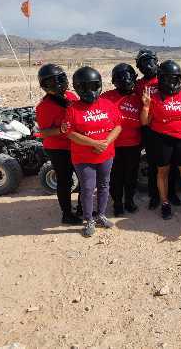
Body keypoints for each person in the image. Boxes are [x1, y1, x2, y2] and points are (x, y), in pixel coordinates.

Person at [139, 60, 181, 220]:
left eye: (174, 78)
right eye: (167, 78)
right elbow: (145, 122)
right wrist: (146, 106)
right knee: (162, 172)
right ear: (161, 78)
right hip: (162, 140)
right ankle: (165, 203)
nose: (171, 81)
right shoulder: (154, 98)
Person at [64, 66, 121, 237]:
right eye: (85, 87)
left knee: (104, 185)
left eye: (94, 86)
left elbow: (118, 126)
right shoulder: (72, 109)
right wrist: (93, 143)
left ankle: (101, 215)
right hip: (83, 158)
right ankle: (89, 219)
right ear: (78, 88)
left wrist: (106, 142)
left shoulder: (108, 105)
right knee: (88, 188)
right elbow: (70, 133)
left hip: (106, 154)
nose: (90, 91)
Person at [35, 64, 83, 225]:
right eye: (51, 82)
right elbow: (43, 132)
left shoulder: (71, 95)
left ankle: (82, 208)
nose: (57, 84)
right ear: (44, 85)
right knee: (64, 180)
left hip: (76, 144)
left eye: (60, 79)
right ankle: (67, 214)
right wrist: (60, 129)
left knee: (84, 178)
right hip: (58, 148)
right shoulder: (44, 107)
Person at [135, 50, 179, 209]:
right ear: (139, 67)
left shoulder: (165, 76)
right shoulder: (138, 85)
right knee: (154, 163)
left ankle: (172, 193)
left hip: (168, 126)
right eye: (143, 63)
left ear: (156, 61)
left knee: (172, 162)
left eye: (150, 61)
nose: (148, 66)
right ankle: (154, 195)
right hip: (149, 128)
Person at [102, 63, 142, 217]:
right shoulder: (106, 97)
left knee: (131, 175)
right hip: (112, 144)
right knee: (115, 175)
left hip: (133, 144)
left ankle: (129, 201)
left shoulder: (139, 98)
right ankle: (117, 203)